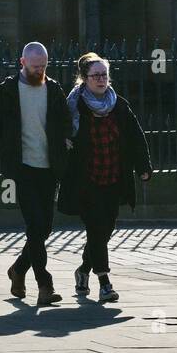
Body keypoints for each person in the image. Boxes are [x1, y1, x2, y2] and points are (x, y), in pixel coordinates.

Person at [57, 52, 152, 303]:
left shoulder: (118, 104)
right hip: (86, 180)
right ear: (84, 79)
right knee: (95, 227)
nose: (101, 80)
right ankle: (104, 282)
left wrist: (144, 166)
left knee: (105, 229)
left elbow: (135, 136)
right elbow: (60, 130)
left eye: (104, 75)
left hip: (113, 177)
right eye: (95, 76)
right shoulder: (74, 106)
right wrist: (64, 138)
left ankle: (83, 270)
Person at [0, 41, 69, 306]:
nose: (39, 71)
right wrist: (6, 155)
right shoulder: (7, 91)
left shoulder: (53, 90)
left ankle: (18, 270)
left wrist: (65, 140)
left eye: (43, 66)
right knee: (34, 225)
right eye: (34, 67)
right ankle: (44, 285)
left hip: (49, 169)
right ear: (22, 63)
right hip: (22, 169)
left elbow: (65, 122)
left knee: (44, 228)